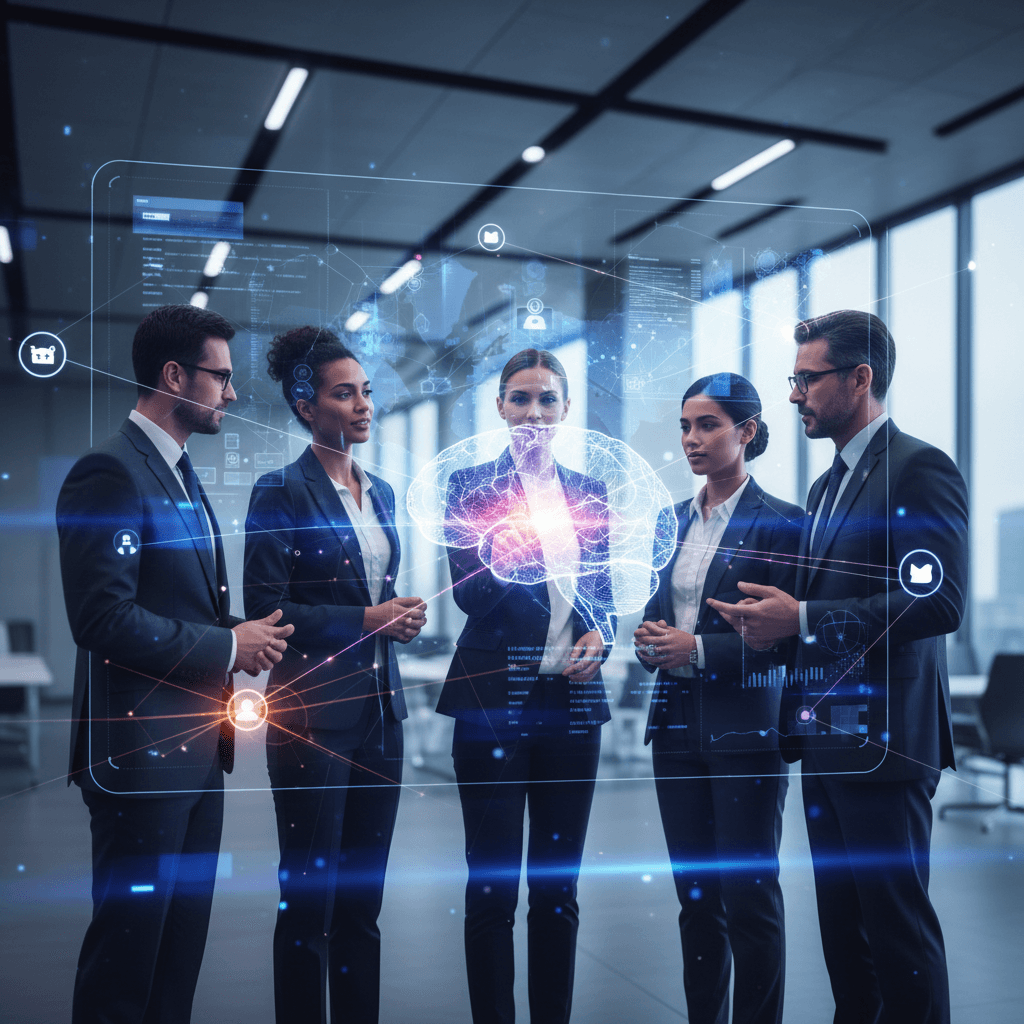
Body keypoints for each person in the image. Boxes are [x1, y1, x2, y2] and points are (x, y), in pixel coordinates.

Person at [708, 310, 969, 1024]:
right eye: (792, 379)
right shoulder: (825, 490)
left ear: (860, 379)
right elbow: (824, 608)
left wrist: (803, 619)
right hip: (828, 745)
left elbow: (940, 600)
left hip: (885, 744)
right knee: (846, 946)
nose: (794, 395)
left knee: (899, 940)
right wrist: (773, 631)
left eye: (807, 379)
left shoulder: (920, 468)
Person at [56, 303, 293, 1024]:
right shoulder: (110, 473)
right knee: (127, 967)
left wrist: (238, 632)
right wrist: (227, 646)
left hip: (192, 758)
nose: (230, 393)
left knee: (175, 962)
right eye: (219, 377)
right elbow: (100, 619)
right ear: (173, 376)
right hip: (140, 764)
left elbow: (174, 602)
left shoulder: (180, 476)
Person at [244, 326, 426, 1024]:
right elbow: (265, 606)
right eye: (343, 393)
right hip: (314, 718)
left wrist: (394, 618)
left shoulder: (377, 491)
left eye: (366, 391)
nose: (362, 405)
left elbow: (375, 594)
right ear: (303, 404)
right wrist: (365, 619)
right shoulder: (280, 491)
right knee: (310, 903)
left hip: (382, 714)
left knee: (362, 907)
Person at [437, 347, 612, 1024]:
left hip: (571, 704)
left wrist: (603, 632)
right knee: (491, 890)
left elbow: (602, 592)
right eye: (520, 398)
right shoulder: (470, 487)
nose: (534, 411)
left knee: (558, 891)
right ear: (501, 407)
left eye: (547, 398)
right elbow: (472, 596)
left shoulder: (589, 493)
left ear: (566, 409)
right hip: (492, 703)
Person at [633, 373, 802, 1024]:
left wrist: (696, 649)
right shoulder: (667, 521)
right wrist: (651, 639)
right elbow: (657, 613)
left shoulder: (785, 524)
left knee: (749, 900)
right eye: (685, 425)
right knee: (697, 899)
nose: (692, 439)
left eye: (707, 425)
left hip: (744, 733)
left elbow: (786, 641)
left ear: (747, 432)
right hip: (673, 731)